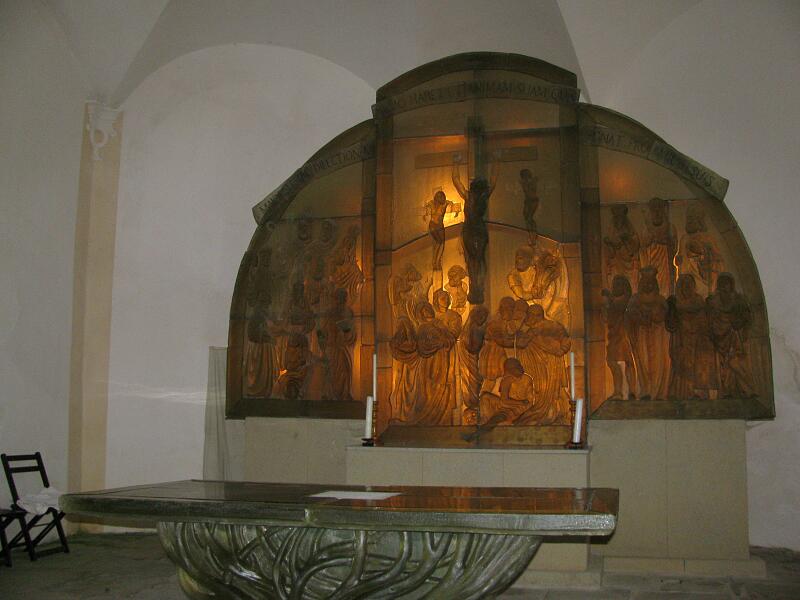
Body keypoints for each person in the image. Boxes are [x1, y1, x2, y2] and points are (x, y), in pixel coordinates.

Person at [423, 190, 460, 271]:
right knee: (439, 242)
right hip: (433, 225)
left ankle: (437, 260)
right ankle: (435, 261)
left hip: (440, 226)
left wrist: (456, 212)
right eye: (439, 196)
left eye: (442, 196)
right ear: (436, 197)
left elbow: (453, 204)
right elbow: (425, 207)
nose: (441, 198)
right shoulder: (432, 203)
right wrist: (425, 215)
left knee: (441, 243)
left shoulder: (445, 203)